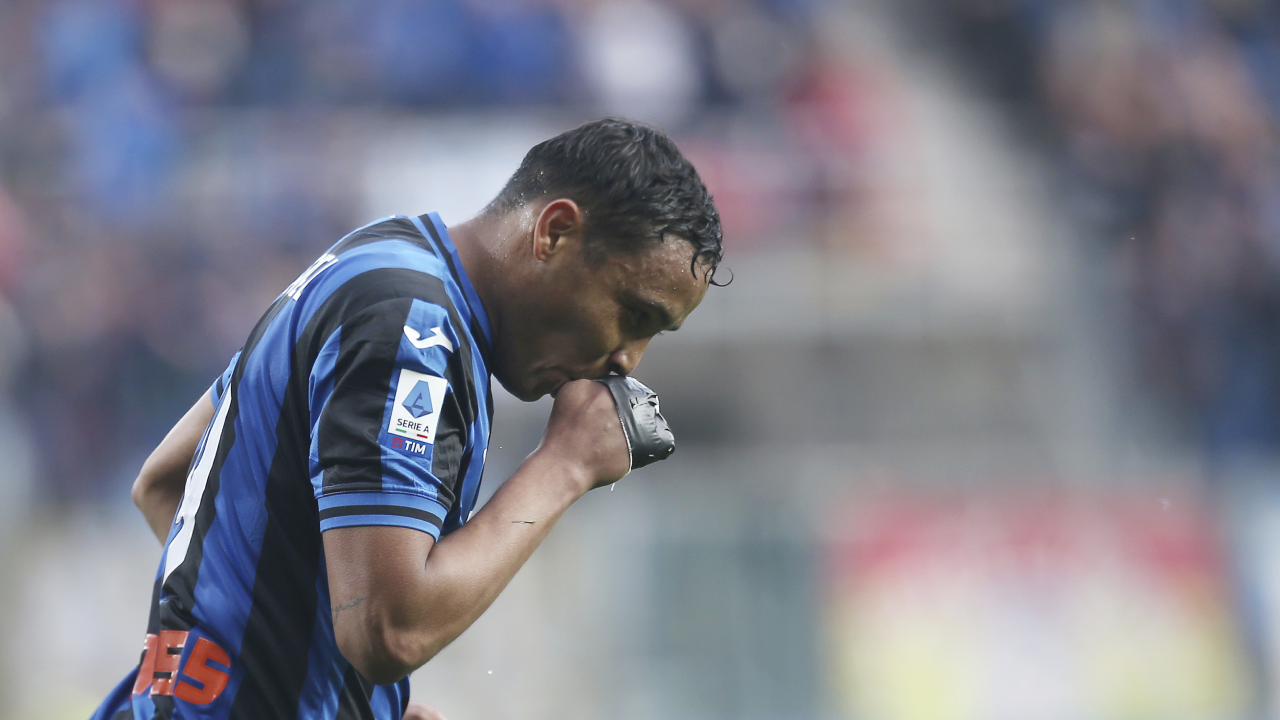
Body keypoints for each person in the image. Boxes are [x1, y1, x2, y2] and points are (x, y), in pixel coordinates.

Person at [89, 118, 724, 720]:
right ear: (554, 232)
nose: (626, 360)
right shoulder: (413, 329)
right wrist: (565, 464)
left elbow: (167, 480)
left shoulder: (379, 260)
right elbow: (390, 631)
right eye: (633, 315)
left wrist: (336, 695)